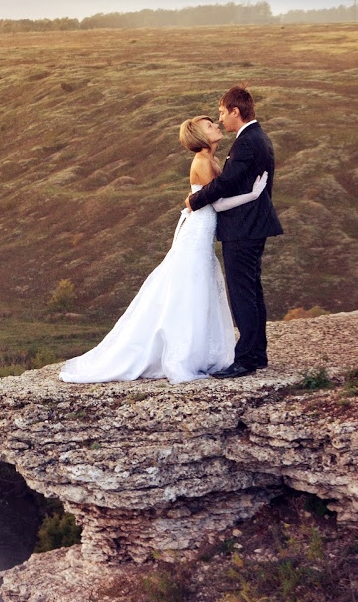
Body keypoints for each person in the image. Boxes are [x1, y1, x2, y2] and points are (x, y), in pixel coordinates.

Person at [59, 116, 268, 385]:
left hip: (204, 233)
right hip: (197, 233)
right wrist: (252, 195)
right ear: (200, 136)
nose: (216, 125)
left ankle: (197, 350)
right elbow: (216, 204)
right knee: (187, 288)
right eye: (208, 125)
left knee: (197, 288)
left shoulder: (213, 160)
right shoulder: (203, 163)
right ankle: (179, 352)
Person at [185, 85, 283, 378]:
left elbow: (226, 184)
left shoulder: (247, 142)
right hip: (249, 226)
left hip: (244, 228)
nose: (220, 118)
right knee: (251, 290)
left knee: (243, 293)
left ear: (235, 112)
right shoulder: (255, 138)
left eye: (222, 113)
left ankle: (247, 359)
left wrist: (194, 200)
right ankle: (257, 353)